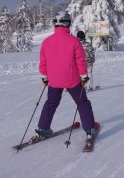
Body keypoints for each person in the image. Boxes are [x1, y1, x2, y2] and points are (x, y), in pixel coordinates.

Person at [36, 12, 97, 142]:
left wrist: (44, 78)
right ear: (68, 23)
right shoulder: (74, 41)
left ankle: (43, 128)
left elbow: (43, 63)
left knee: (51, 103)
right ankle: (89, 128)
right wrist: (84, 77)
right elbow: (81, 61)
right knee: (82, 102)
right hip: (72, 80)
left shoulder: (46, 42)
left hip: (53, 81)